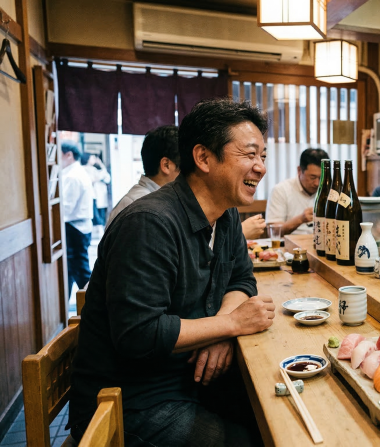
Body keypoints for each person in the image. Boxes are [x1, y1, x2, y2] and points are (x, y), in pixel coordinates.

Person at [69, 99, 276, 446]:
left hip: (189, 378)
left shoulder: (225, 216)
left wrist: (220, 331)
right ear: (203, 157)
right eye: (250, 154)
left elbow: (242, 279)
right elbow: (138, 333)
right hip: (130, 401)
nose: (261, 167)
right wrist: (231, 324)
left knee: (274, 408)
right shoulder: (149, 222)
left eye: (263, 157)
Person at [107, 125, 265, 239]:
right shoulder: (144, 212)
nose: (194, 173)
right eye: (188, 166)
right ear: (166, 165)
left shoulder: (223, 209)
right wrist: (240, 234)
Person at [265, 148, 329, 235]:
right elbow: (273, 231)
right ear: (299, 170)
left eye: (322, 178)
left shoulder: (329, 191)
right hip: (289, 246)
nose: (317, 183)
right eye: (312, 177)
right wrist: (301, 219)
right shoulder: (281, 190)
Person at [61, 141, 94, 293]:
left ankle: (94, 306)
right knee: (71, 270)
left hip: (74, 227)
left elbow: (66, 207)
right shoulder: (76, 172)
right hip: (79, 226)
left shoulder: (73, 176)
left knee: (81, 272)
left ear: (69, 155)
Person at [82, 153, 111, 234]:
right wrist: (101, 166)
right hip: (92, 196)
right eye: (92, 158)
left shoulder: (93, 169)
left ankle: (100, 231)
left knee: (100, 213)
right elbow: (95, 178)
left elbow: (107, 178)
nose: (94, 159)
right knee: (96, 215)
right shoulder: (85, 169)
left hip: (98, 196)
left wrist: (101, 165)